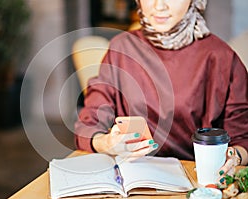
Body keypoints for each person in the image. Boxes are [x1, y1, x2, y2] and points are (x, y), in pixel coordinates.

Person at [74, 0, 248, 184]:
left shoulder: (221, 57)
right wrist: (107, 143)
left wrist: (233, 157)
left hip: (196, 182)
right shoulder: (121, 48)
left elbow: (243, 139)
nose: (159, 6)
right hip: (132, 182)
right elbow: (89, 124)